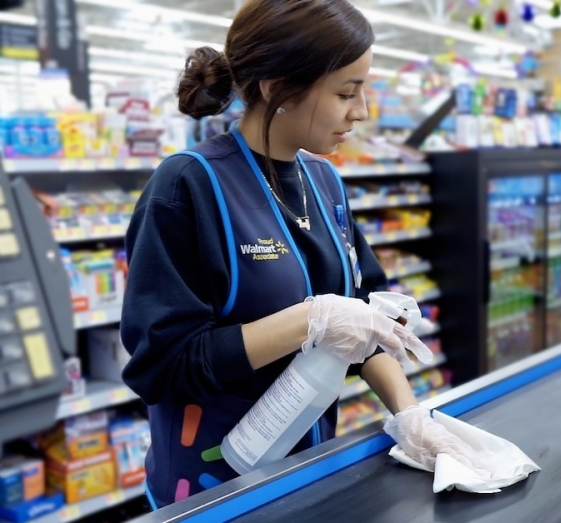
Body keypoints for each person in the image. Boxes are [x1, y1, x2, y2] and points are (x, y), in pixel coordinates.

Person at [121, 0, 483, 509]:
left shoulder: (325, 183)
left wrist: (410, 416)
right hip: (212, 493)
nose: (361, 111)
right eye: (345, 92)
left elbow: (364, 319)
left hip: (302, 475)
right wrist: (311, 319)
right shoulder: (187, 186)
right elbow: (161, 367)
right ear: (277, 88)